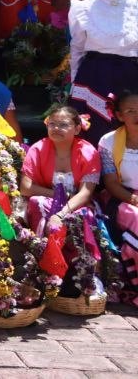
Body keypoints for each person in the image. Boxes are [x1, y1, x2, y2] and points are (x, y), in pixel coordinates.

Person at [68, 0, 138, 142]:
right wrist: (74, 82)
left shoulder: (136, 7)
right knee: (91, 127)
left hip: (129, 77)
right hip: (94, 76)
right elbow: (77, 48)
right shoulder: (84, 7)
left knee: (129, 128)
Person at [21, 105, 100, 235]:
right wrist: (63, 196)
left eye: (63, 125)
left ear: (77, 129)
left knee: (85, 215)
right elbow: (25, 188)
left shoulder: (89, 153)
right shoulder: (37, 149)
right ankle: (40, 248)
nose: (56, 128)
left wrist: (60, 215)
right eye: (52, 124)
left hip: (78, 203)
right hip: (48, 199)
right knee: (36, 202)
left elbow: (85, 193)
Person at [98, 90, 138, 302]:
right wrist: (133, 200)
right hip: (122, 197)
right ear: (120, 115)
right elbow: (111, 183)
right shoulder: (109, 141)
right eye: (131, 111)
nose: (137, 116)